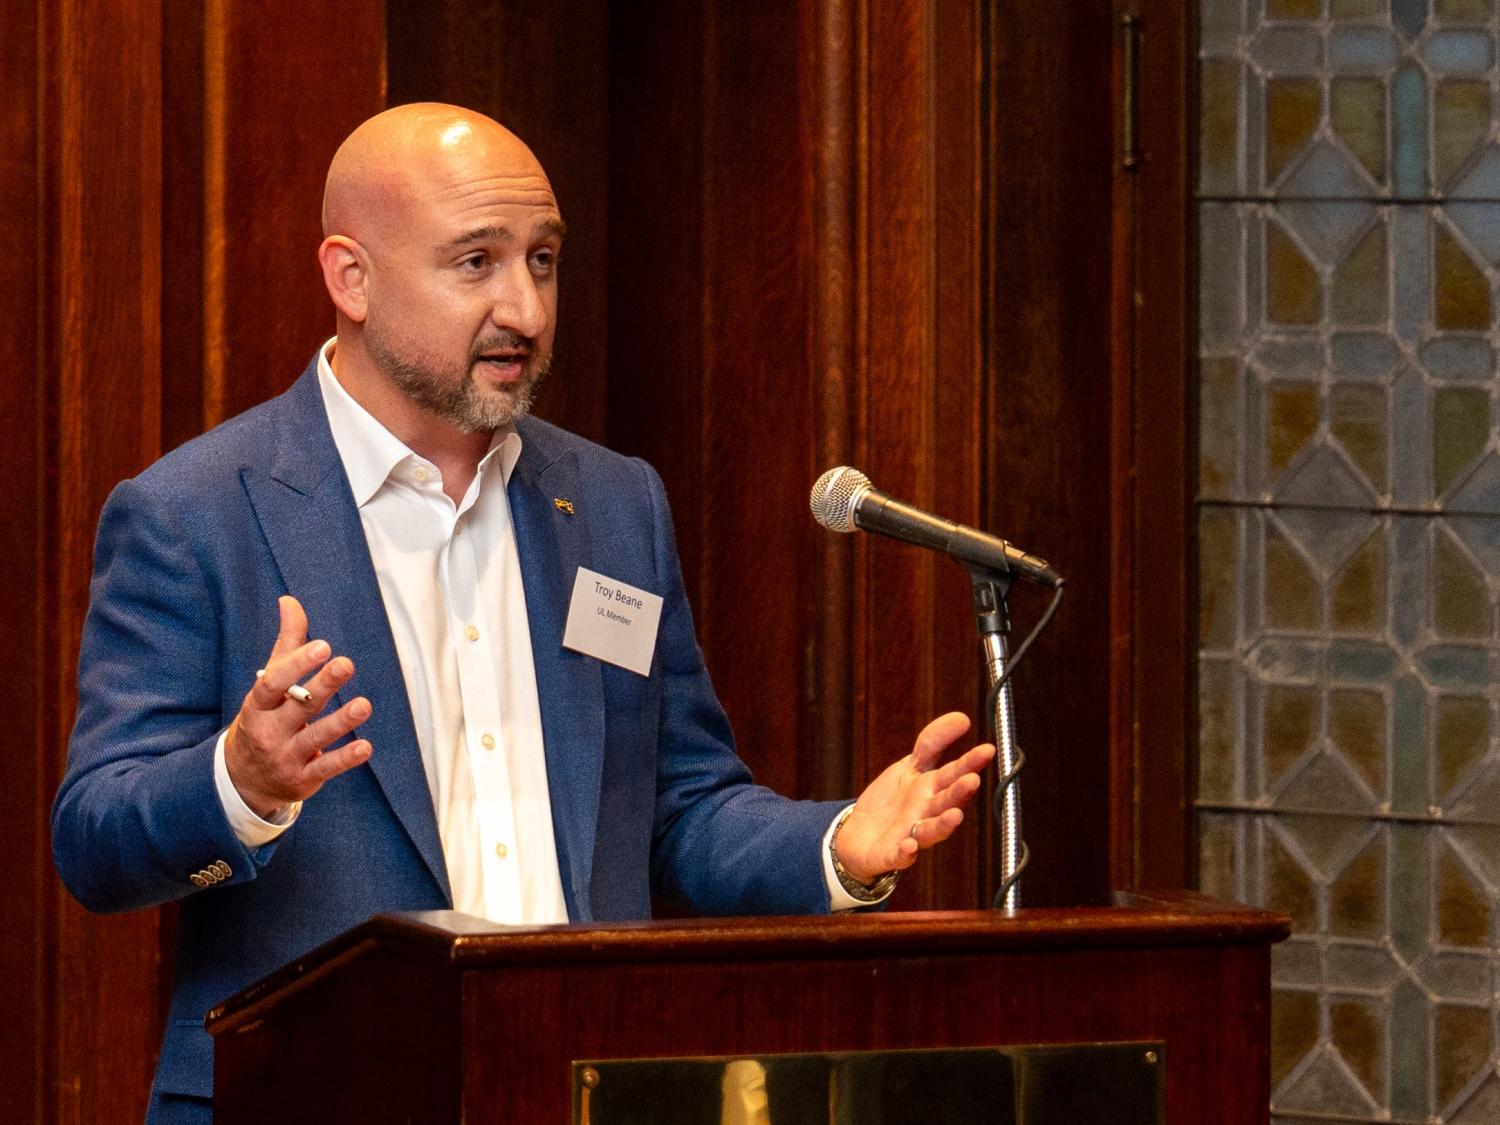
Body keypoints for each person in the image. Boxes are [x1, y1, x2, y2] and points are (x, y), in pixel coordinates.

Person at [51, 103, 995, 1123]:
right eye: (476, 264)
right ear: (349, 276)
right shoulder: (196, 513)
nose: (526, 311)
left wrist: (838, 848)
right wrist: (239, 785)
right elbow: (96, 846)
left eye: (541, 262)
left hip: (581, 1090)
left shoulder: (614, 503)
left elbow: (681, 805)